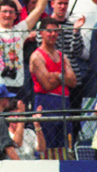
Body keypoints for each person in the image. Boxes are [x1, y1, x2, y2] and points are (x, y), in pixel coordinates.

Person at [29, 17, 77, 156]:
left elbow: (73, 81)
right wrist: (62, 76)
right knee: (46, 145)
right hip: (45, 102)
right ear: (42, 33)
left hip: (63, 102)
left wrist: (56, 75)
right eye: (49, 31)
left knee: (65, 145)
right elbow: (47, 84)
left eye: (56, 31)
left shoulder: (62, 56)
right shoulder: (37, 56)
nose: (53, 34)